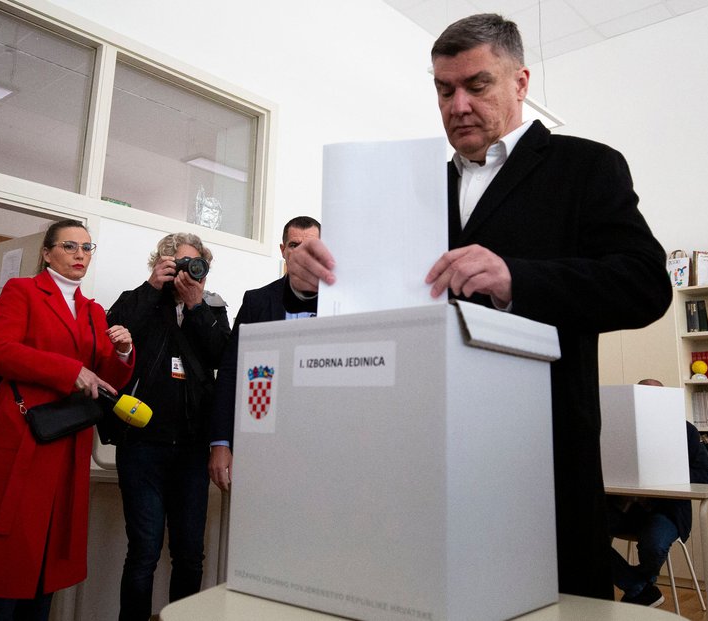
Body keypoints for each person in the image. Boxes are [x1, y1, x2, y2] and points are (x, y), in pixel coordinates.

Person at [287, 14, 672, 599]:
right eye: (445, 90)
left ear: (520, 82)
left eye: (477, 85)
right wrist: (323, 279)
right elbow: (385, 307)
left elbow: (645, 284)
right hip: (422, 459)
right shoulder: (414, 188)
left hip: (539, 460)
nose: (458, 104)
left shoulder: (585, 167)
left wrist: (516, 277)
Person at [0, 219, 134, 620]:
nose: (80, 255)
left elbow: (106, 380)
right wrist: (67, 370)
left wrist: (124, 353)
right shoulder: (22, 291)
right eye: (71, 246)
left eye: (87, 248)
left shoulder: (94, 311)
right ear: (47, 252)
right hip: (24, 436)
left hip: (68, 442)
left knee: (47, 559)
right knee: (4, 557)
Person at [101, 232, 231, 620]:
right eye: (180, 263)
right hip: (142, 445)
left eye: (197, 264)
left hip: (192, 448)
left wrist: (196, 307)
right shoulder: (136, 299)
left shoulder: (212, 307)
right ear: (162, 262)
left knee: (190, 553)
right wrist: (151, 289)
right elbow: (111, 341)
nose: (188, 271)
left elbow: (224, 356)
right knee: (143, 550)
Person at [209, 216, 320, 492]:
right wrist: (221, 442)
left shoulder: (345, 300)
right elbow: (231, 371)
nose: (303, 252)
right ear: (283, 250)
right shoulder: (257, 302)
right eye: (295, 244)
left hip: (321, 437)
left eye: (312, 245)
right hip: (263, 437)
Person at [607, 379, 708, 607]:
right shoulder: (618, 428)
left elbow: (706, 476)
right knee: (582, 534)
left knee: (654, 545)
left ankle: (639, 586)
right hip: (622, 508)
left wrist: (668, 472)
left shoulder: (685, 430)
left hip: (666, 511)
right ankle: (641, 588)